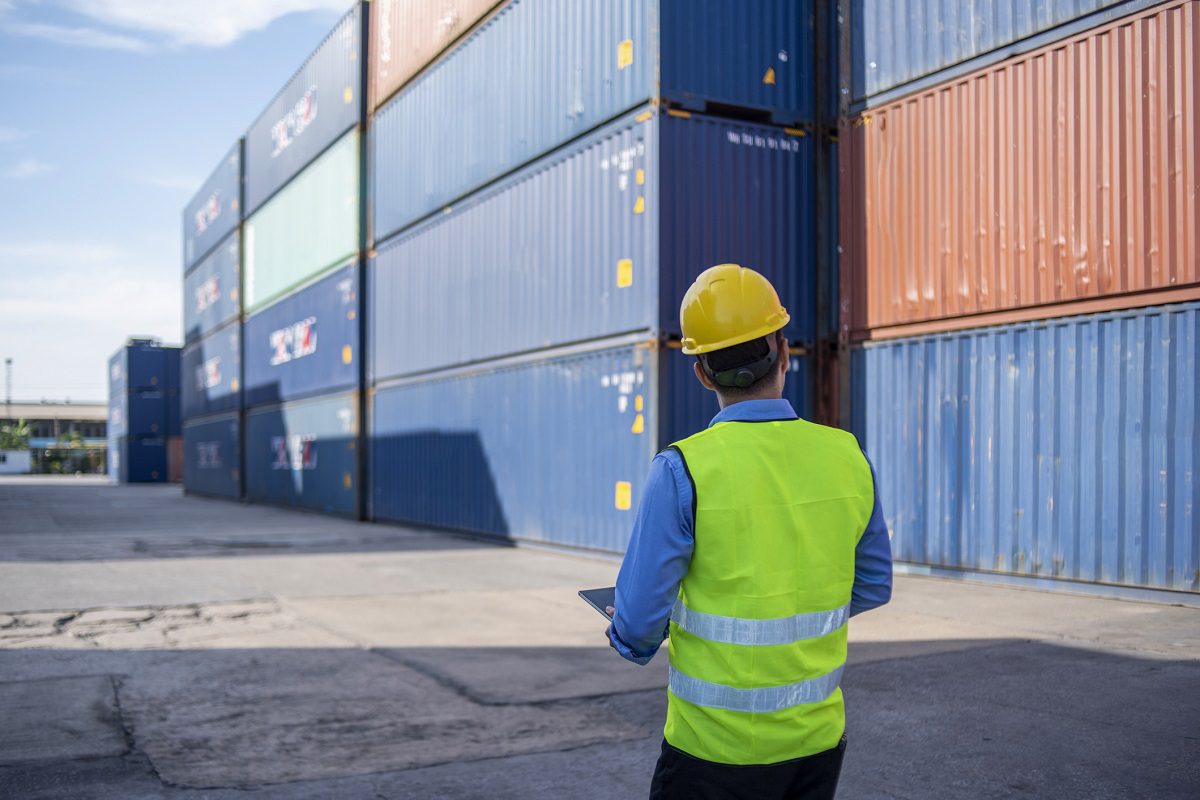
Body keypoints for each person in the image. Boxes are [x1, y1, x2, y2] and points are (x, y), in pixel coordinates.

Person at [605, 264, 893, 799]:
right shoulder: (849, 457)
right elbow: (873, 585)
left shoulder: (681, 470)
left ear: (702, 373)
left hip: (709, 753)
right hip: (816, 746)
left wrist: (625, 627)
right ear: (785, 352)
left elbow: (638, 627)